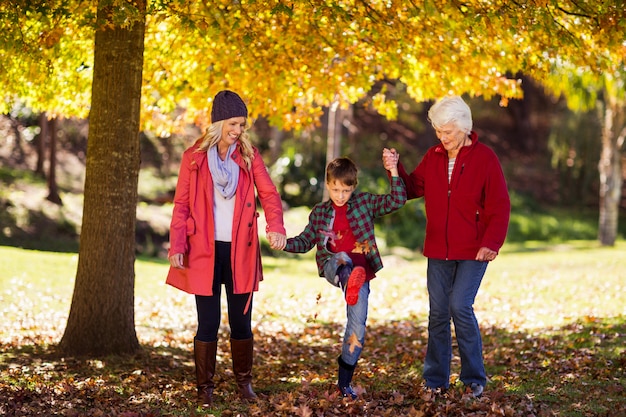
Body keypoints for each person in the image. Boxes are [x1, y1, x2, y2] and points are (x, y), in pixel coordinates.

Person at [383, 95, 510, 398]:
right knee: (438, 313)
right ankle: (435, 379)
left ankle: (474, 378)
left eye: (449, 132)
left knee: (460, 307)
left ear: (465, 128)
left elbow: (499, 205)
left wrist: (491, 242)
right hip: (438, 248)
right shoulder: (434, 156)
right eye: (439, 131)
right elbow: (413, 187)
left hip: (474, 249)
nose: (443, 137)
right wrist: (395, 168)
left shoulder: (485, 158)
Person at [166, 90, 287, 407]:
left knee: (241, 322)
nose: (238, 130)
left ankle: (244, 384)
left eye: (242, 124)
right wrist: (177, 245)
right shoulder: (194, 158)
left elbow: (270, 195)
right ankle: (204, 388)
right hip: (203, 250)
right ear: (218, 123)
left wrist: (276, 227)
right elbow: (180, 205)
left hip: (241, 252)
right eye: (233, 123)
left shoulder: (248, 156)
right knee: (208, 323)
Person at [275, 155, 406, 399]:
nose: (340, 195)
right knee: (343, 257)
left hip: (362, 273)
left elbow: (397, 200)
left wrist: (393, 170)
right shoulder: (320, 213)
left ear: (353, 187)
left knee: (357, 329)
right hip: (332, 266)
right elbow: (305, 242)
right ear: (327, 184)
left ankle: (344, 384)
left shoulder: (364, 203)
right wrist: (284, 243)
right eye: (335, 189)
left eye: (346, 190)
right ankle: (347, 278)